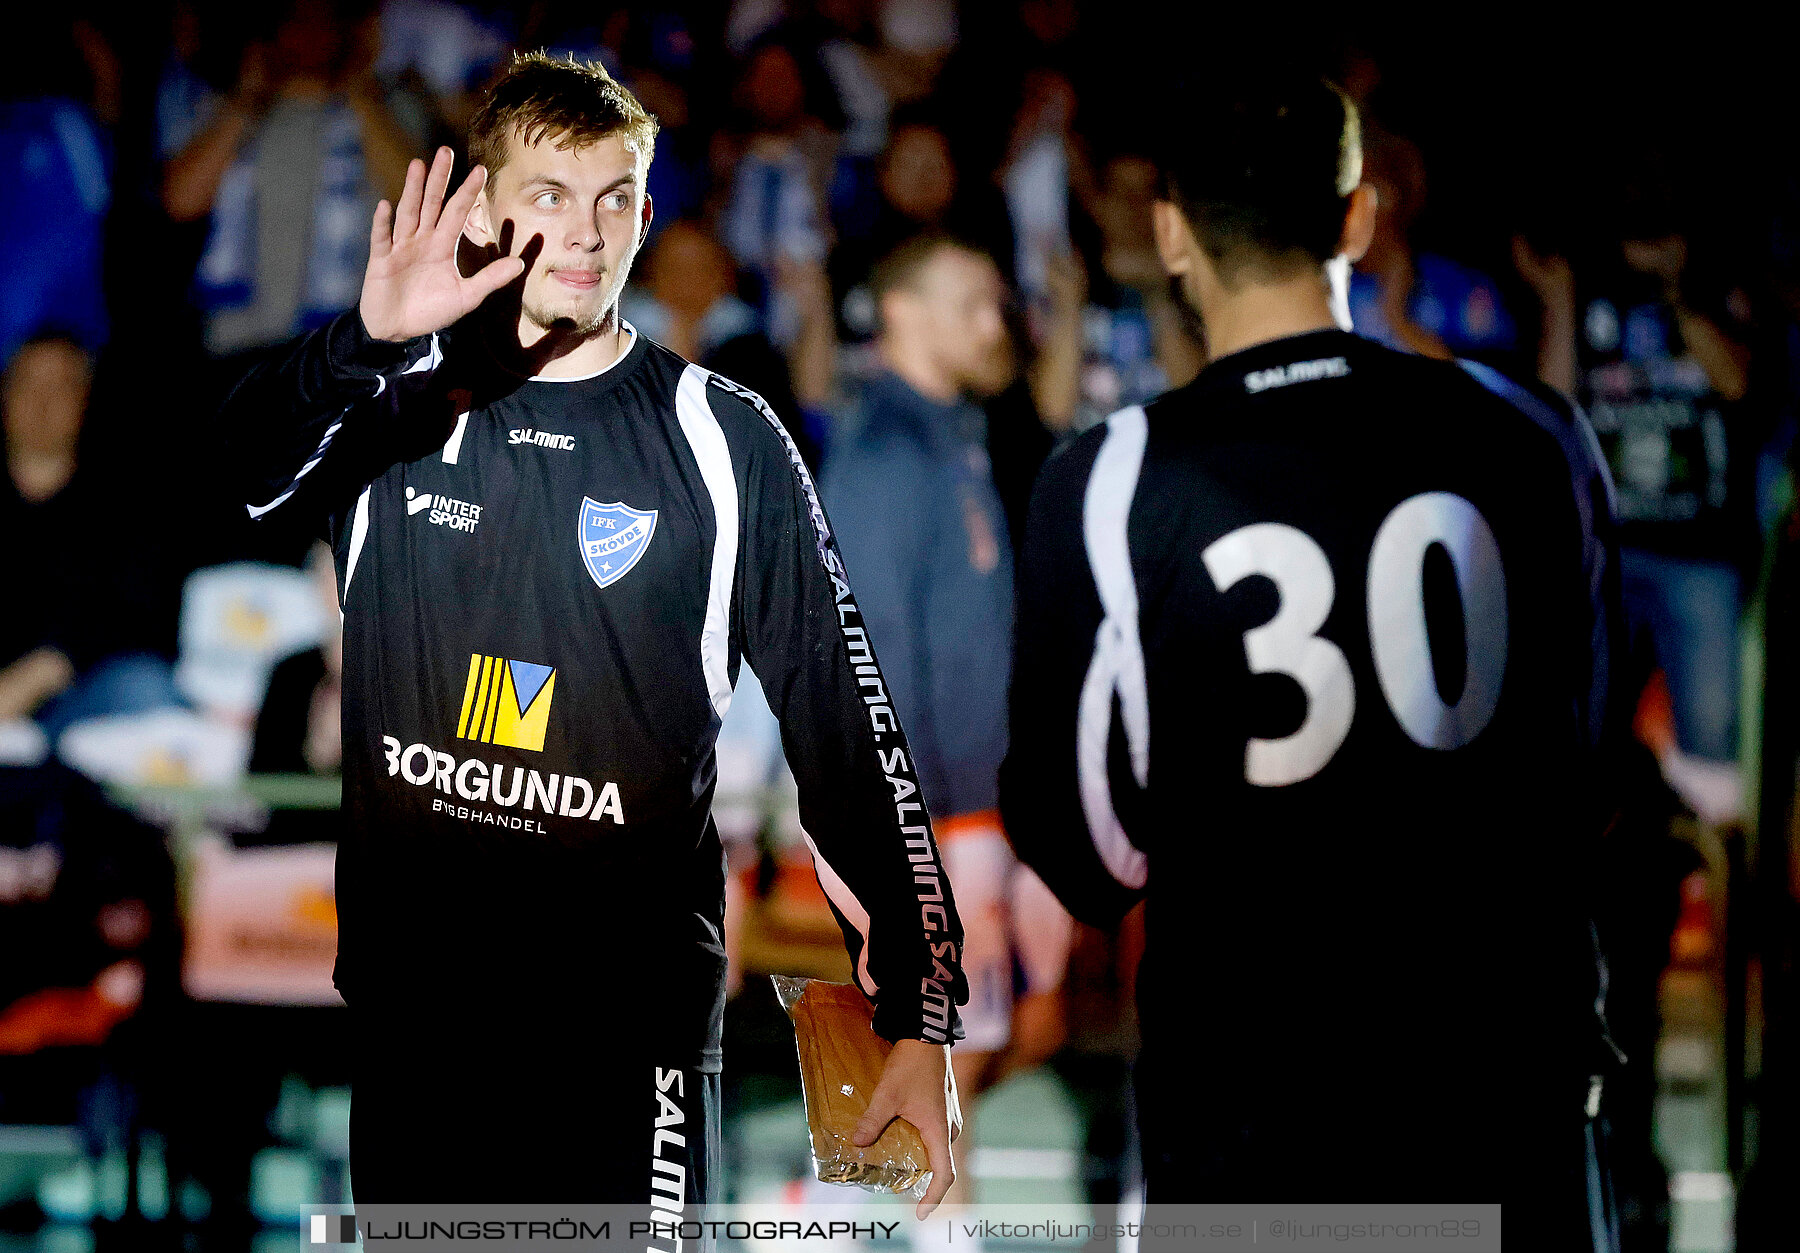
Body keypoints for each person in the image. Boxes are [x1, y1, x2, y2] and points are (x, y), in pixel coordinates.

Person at [215, 51, 966, 1215]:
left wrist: (920, 1010)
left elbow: (844, 719)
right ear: (484, 209)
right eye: (551, 195)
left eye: (616, 196)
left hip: (632, 1039)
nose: (586, 230)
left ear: (648, 215)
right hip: (423, 1031)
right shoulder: (386, 401)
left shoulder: (728, 442)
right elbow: (228, 475)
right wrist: (361, 340)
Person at [1000, 74, 1623, 1240]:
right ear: (1356, 220)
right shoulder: (1528, 427)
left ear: (1172, 232)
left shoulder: (1115, 474)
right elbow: (1581, 771)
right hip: (1502, 1082)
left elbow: (1089, 849)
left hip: (1257, 1097)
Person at [821, 233, 1073, 1238]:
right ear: (902, 316)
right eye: (972, 302)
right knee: (941, 1075)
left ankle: (869, 1204)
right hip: (934, 821)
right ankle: (880, 1215)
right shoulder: (884, 454)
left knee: (972, 1058)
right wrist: (910, 856)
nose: (996, 322)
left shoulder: (948, 438)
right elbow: (869, 665)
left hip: (974, 816)